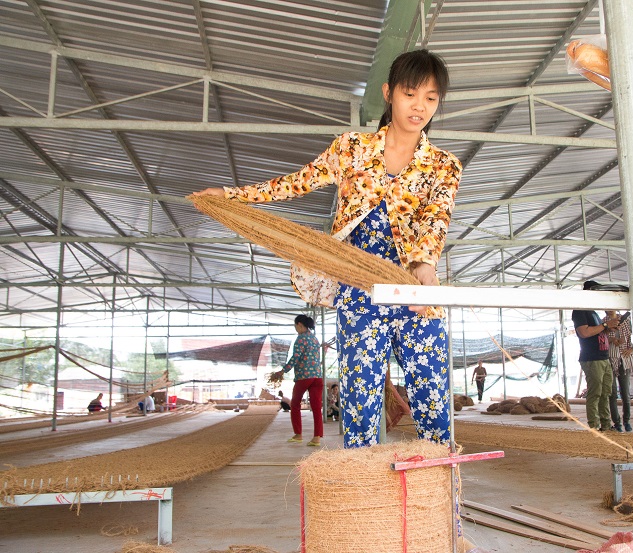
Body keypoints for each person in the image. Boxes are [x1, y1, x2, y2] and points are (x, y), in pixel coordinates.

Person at [193, 49, 461, 449]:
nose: (419, 106)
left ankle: (440, 501)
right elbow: (295, 182)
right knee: (360, 406)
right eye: (410, 94)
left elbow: (435, 222)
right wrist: (233, 195)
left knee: (433, 400)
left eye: (430, 97)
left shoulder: (444, 165)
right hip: (359, 290)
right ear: (389, 93)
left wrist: (423, 267)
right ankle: (359, 503)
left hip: (414, 291)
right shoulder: (351, 148)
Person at [572, 281, 619, 431]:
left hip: (604, 357)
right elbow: (584, 332)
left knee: (606, 393)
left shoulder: (593, 312)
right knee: (595, 392)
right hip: (592, 358)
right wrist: (605, 325)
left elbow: (597, 331)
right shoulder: (580, 310)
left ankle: (606, 424)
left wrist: (607, 328)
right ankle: (594, 425)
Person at [273, 314, 324, 447]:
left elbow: (295, 359)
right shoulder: (314, 338)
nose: (296, 329)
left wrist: (282, 371)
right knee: (317, 407)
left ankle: (298, 435)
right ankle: (317, 438)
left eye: (296, 326)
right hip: (317, 376)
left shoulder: (301, 339)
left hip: (304, 376)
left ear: (300, 325)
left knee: (295, 404)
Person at [605, 310, 633, 432]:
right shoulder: (603, 322)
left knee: (625, 393)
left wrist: (631, 349)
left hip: (624, 359)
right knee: (612, 394)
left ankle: (626, 420)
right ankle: (617, 422)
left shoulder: (626, 320)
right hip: (611, 359)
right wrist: (612, 341)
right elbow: (601, 339)